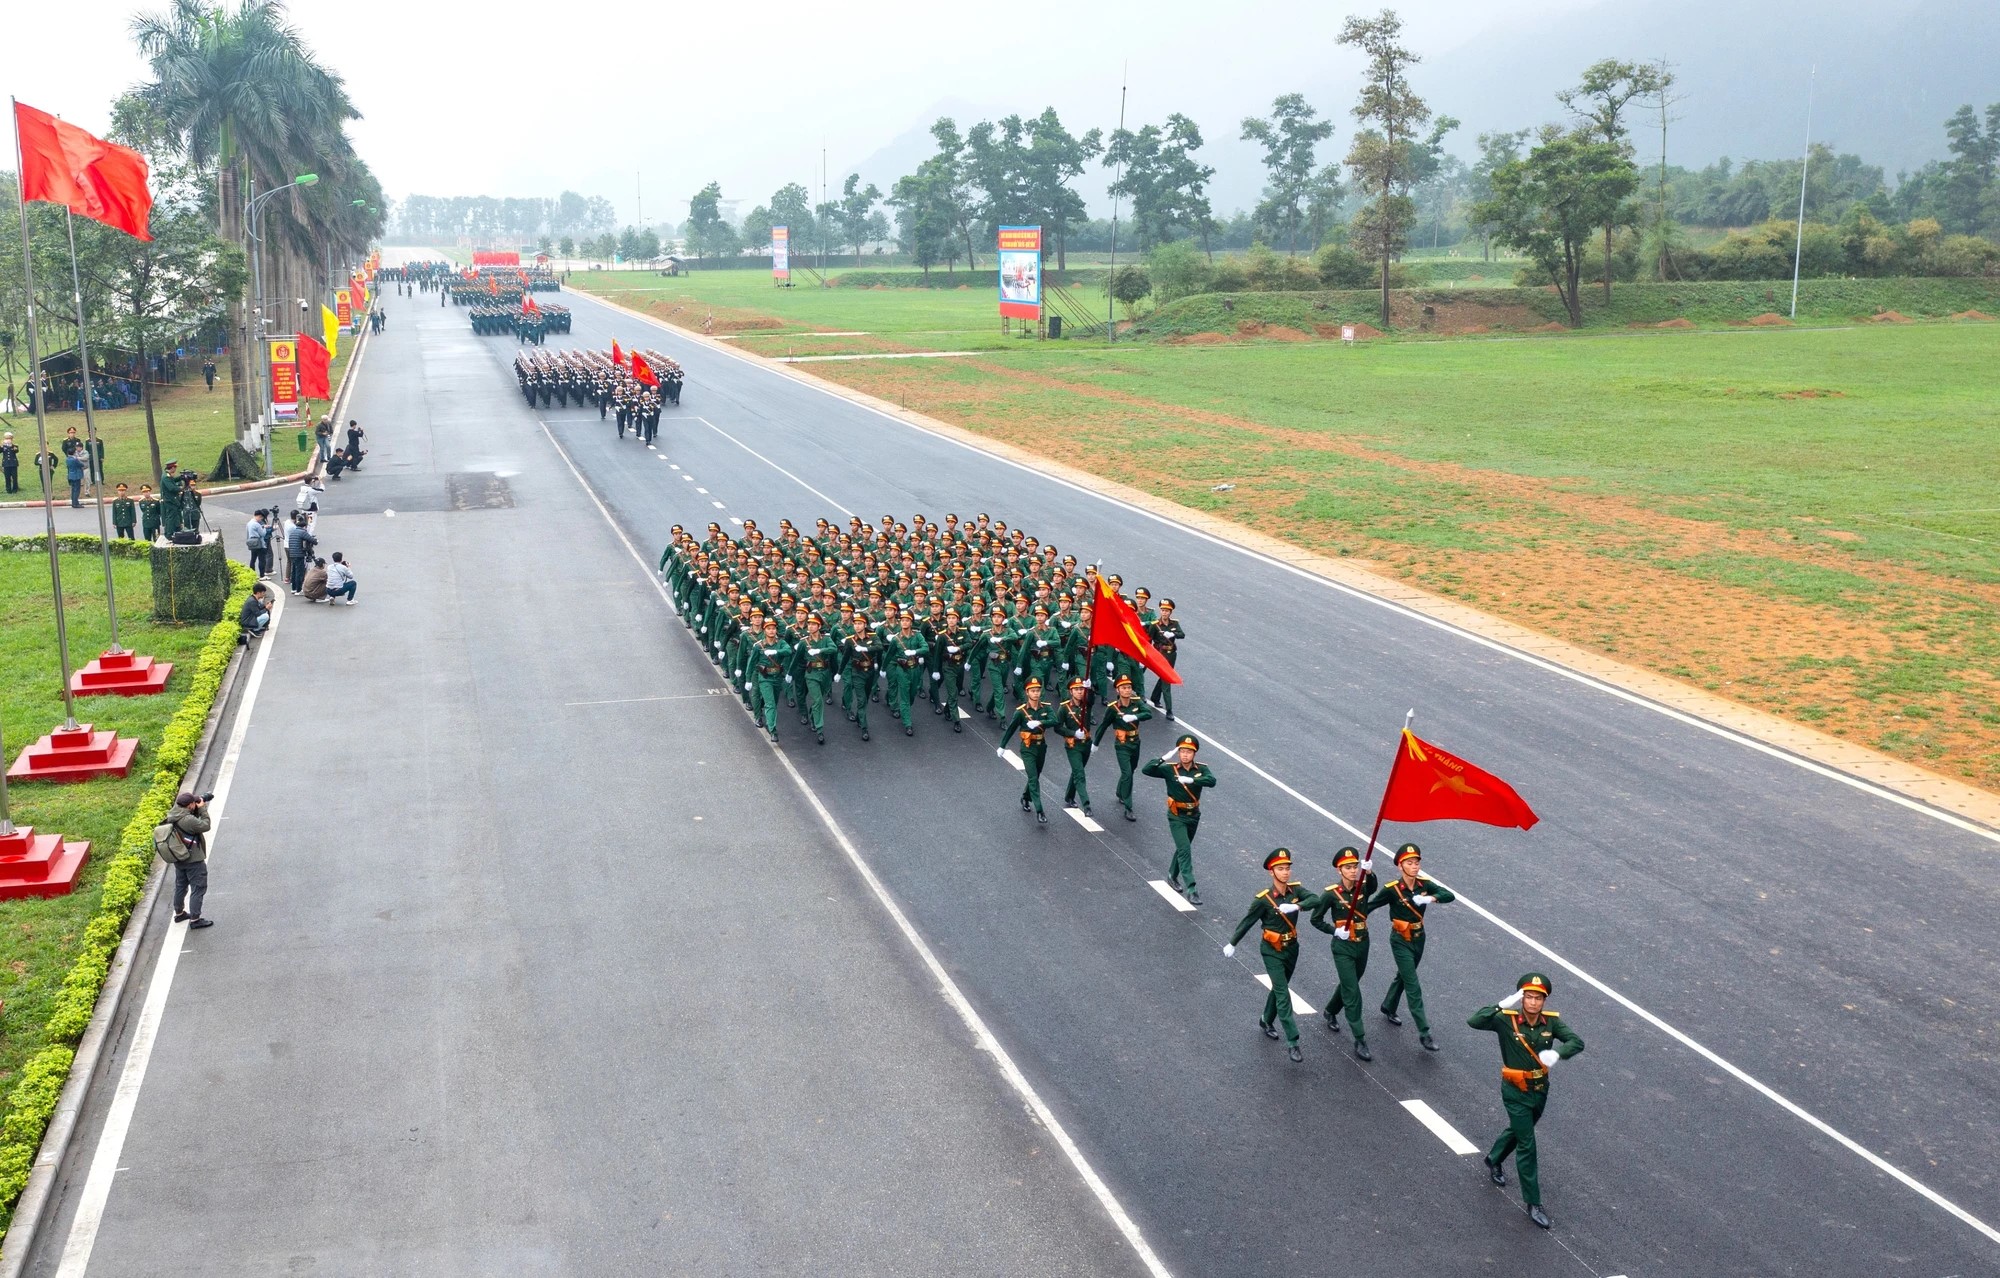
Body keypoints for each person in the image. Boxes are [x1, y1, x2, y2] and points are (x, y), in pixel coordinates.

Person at [1469, 974, 1584, 1230]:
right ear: (1521, 999)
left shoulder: (1551, 1023)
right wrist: (1502, 1004)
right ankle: (1533, 1203)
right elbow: (1474, 1021)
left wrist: (1558, 1053)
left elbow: (1577, 1042)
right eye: (1528, 997)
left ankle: (1494, 1157)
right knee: (1527, 1144)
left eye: (1538, 998)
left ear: (1544, 1000)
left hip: (1540, 1089)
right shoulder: (1505, 1019)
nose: (1533, 1002)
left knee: (1522, 1130)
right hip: (1515, 1090)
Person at [1222, 849, 1317, 1063]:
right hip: (1271, 950)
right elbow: (1248, 921)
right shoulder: (1263, 900)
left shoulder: (1295, 890)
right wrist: (1232, 943)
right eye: (1280, 869)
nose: (1285, 873)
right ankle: (1293, 1041)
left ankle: (1266, 1019)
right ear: (1271, 873)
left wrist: (1297, 905)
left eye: (1287, 868)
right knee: (1283, 993)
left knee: (1278, 987)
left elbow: (1316, 900)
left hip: (1292, 948)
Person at [1369, 842, 1456, 1051]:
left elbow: (1449, 895)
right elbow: (1369, 905)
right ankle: (1424, 1032)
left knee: (1404, 975)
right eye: (1410, 863)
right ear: (1400, 866)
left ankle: (1388, 1005)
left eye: (1416, 862)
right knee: (1412, 984)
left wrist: (1430, 897)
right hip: (1400, 939)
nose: (1415, 866)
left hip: (1419, 937)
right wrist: (1351, 919)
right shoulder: (1392, 890)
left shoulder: (1424, 885)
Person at [1309, 847, 1382, 1060]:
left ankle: (1330, 1010)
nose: (1353, 871)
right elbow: (1315, 919)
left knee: (1350, 982)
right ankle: (1360, 1038)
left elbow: (1373, 887)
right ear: (1339, 870)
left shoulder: (1362, 887)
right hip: (1343, 947)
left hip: (1362, 943)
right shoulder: (1331, 894)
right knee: (1352, 992)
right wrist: (1334, 931)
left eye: (1355, 867)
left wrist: (1369, 873)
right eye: (1348, 868)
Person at [1140, 734, 1215, 905]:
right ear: (1178, 752)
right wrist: (1162, 758)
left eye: (1189, 751)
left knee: (1183, 847)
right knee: (1185, 850)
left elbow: (1212, 781)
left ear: (1194, 754)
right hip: (1176, 816)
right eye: (1182, 751)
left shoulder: (1201, 769)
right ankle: (1192, 888)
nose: (1185, 755)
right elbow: (1146, 770)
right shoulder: (1169, 769)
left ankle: (1172, 876)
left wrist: (1193, 780)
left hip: (1194, 815)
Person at [1094, 675, 1153, 821]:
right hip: (1122, 744)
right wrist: (1095, 743)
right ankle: (1128, 807)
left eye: (1129, 687)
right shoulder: (1113, 708)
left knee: (1132, 770)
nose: (1127, 690)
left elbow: (1148, 713)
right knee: (1127, 773)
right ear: (1118, 690)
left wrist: (1134, 717)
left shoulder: (1136, 702)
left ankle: (1120, 792)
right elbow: (1103, 726)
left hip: (1135, 742)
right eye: (1124, 688)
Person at [997, 678, 1052, 824]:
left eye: (1038, 691)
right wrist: (1002, 746)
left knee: (1036, 776)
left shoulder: (1046, 708)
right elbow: (1010, 730)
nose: (1036, 694)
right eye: (1033, 691)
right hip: (1027, 748)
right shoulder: (1021, 712)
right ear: (1027, 692)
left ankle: (1025, 797)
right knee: (1033, 778)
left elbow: (1055, 721)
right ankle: (1040, 811)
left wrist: (1041, 722)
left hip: (1041, 747)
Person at [169, 791, 216, 928]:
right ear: (190, 805)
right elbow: (205, 825)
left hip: (179, 857)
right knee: (198, 887)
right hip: (193, 859)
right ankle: (195, 919)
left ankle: (179, 913)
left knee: (180, 886)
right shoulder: (188, 820)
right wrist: (202, 808)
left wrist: (198, 801)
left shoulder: (174, 812)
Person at [1054, 677, 1095, 817]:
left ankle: (1069, 797)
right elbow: (1057, 727)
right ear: (1071, 691)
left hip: (1086, 744)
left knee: (1078, 771)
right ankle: (1086, 805)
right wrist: (1073, 733)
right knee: (1080, 774)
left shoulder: (1086, 704)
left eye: (1081, 689)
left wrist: (1090, 689)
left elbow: (1091, 700)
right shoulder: (1064, 708)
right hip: (1073, 745)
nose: (1079, 692)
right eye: (1076, 689)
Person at [1147, 598, 1185, 719]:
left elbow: (1182, 634)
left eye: (1167, 611)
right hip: (1161, 654)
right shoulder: (1155, 625)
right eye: (1163, 610)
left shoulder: (1174, 624)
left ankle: (1155, 697)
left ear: (1170, 612)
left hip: (1172, 654)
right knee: (1167, 679)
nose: (1164, 613)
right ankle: (1169, 710)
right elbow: (1148, 639)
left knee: (1164, 677)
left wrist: (1173, 634)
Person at [244, 510, 272, 575]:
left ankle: (252, 573)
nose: (261, 519)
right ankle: (262, 575)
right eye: (261, 518)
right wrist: (264, 528)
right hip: (259, 543)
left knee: (253, 559)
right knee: (262, 560)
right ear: (259, 516)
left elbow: (248, 533)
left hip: (252, 543)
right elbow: (263, 534)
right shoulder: (257, 524)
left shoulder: (249, 523)